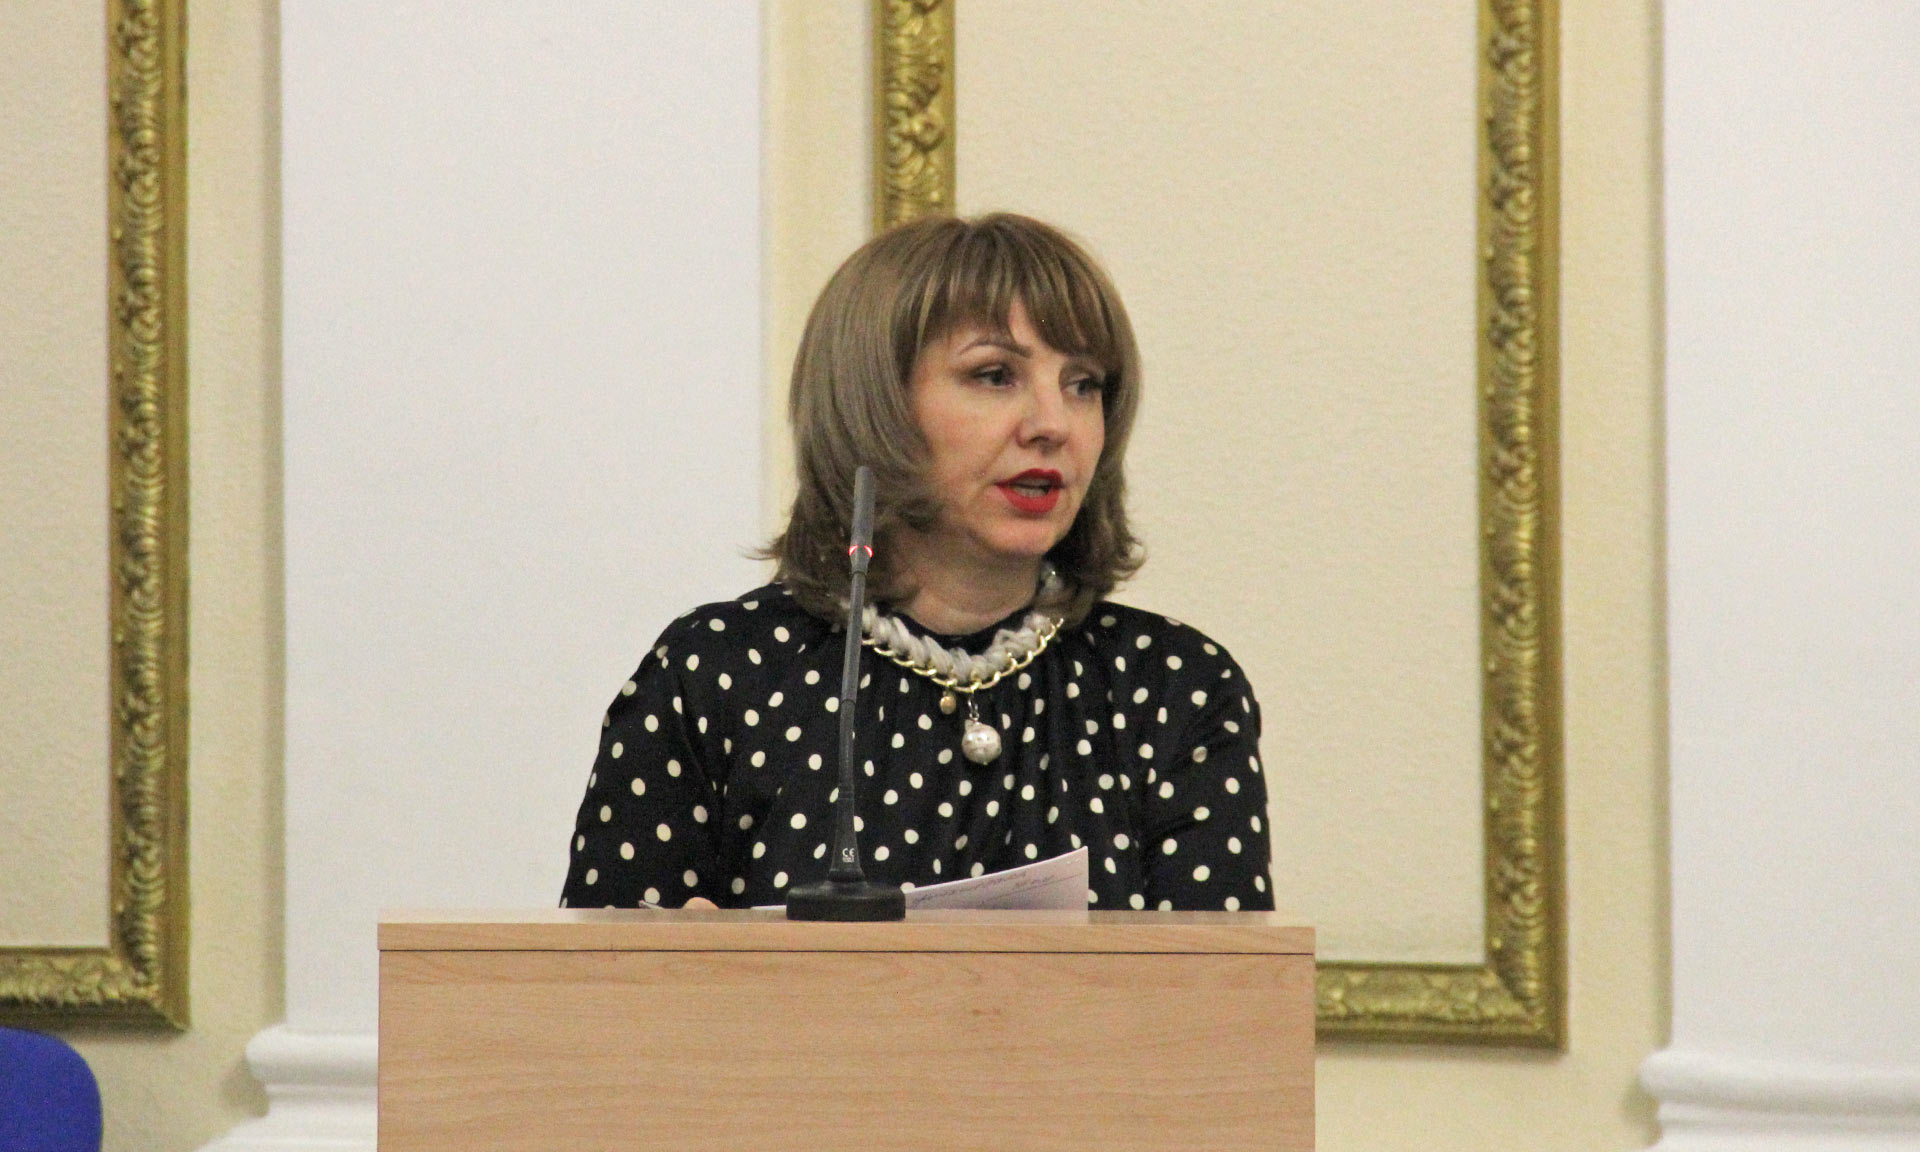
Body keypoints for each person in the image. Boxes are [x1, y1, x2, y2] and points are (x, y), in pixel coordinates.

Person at [562, 213, 1274, 912]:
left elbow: (1227, 982)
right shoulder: (717, 674)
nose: (1053, 424)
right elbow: (591, 979)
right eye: (995, 375)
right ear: (875, 404)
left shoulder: (1175, 690)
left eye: (1083, 384)